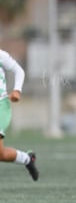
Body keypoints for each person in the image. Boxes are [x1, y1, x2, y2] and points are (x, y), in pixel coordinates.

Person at [0, 49, 39, 181]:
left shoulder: (1, 55)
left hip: (1, 106)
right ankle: (27, 159)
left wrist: (17, 90)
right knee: (1, 155)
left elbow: (19, 71)